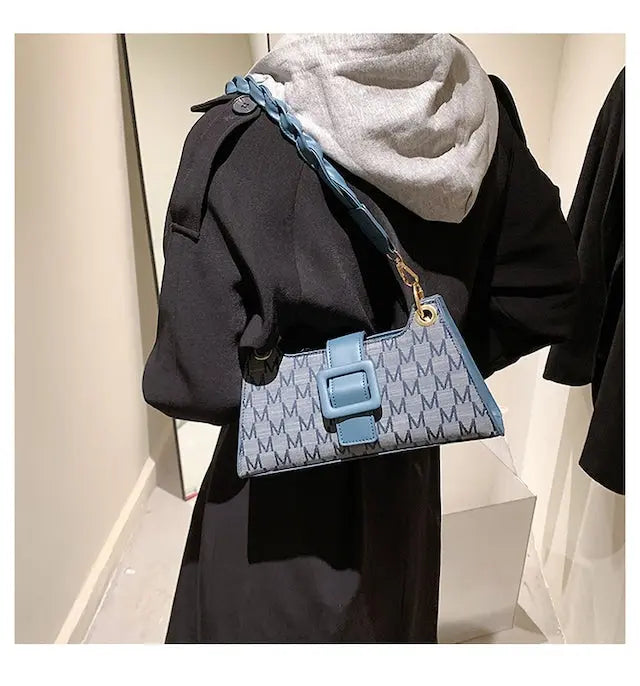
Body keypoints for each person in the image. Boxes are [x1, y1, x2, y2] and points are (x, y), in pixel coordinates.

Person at [143, 33, 579, 643]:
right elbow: (544, 294)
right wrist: (410, 374)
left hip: (274, 490)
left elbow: (194, 377)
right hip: (403, 474)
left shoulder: (237, 135)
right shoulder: (478, 116)